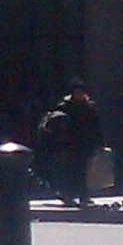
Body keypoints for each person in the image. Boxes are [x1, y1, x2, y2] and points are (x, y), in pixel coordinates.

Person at [42, 80, 106, 208]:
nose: (79, 94)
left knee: (83, 171)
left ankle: (83, 197)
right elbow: (54, 124)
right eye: (77, 92)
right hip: (68, 145)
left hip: (85, 144)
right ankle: (69, 195)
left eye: (81, 92)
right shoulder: (64, 107)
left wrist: (100, 144)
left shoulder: (89, 108)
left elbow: (96, 127)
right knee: (69, 170)